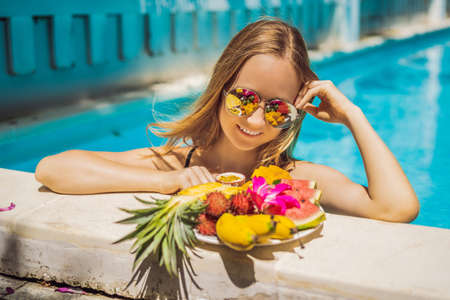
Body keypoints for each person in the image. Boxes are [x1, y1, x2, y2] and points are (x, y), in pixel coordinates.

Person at [35, 19, 419, 223]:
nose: (255, 119)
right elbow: (52, 169)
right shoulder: (179, 163)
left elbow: (395, 209)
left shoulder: (296, 178)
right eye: (244, 98)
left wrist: (354, 117)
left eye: (277, 109)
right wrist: (165, 182)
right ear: (221, 88)